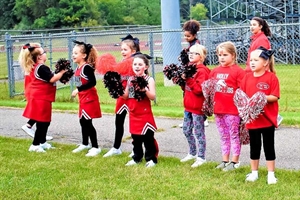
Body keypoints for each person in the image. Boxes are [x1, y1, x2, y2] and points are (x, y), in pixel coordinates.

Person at [241, 47, 279, 184]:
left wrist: (260, 98)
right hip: (253, 121)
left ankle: (271, 174)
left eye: (256, 60)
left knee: (269, 146)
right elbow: (242, 96)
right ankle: (254, 173)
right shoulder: (246, 78)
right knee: (254, 147)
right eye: (251, 60)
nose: (252, 62)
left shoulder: (271, 77)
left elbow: (274, 96)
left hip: (267, 120)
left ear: (265, 63)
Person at [19, 43, 66, 152]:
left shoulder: (38, 67)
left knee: (45, 121)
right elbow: (52, 79)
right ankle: (35, 145)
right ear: (39, 57)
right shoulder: (41, 67)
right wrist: (63, 72)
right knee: (42, 122)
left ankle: (42, 142)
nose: (46, 54)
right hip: (41, 97)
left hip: (42, 97)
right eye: (44, 52)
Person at [101, 34, 141, 157]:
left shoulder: (137, 63)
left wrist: (129, 94)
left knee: (135, 123)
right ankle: (116, 147)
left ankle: (136, 149)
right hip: (121, 96)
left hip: (132, 96)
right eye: (122, 50)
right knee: (119, 122)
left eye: (125, 50)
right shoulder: (121, 63)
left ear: (133, 51)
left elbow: (138, 82)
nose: (123, 52)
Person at [209, 41, 245, 171]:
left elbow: (242, 91)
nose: (222, 57)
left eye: (225, 54)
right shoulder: (215, 71)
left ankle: (235, 162)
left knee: (234, 135)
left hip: (232, 110)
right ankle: (225, 160)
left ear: (233, 55)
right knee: (223, 135)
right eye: (219, 55)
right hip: (218, 109)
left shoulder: (238, 72)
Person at [122, 54, 159, 168]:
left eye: (140, 64)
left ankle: (151, 159)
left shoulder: (149, 79)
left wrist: (145, 90)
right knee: (136, 139)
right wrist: (115, 89)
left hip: (144, 114)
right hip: (133, 113)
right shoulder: (130, 79)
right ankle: (137, 157)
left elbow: (152, 96)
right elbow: (126, 96)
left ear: (146, 67)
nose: (137, 66)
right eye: (135, 64)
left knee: (148, 138)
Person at [245, 17, 283, 126]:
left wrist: (262, 73)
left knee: (260, 96)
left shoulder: (261, 39)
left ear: (260, 26)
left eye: (254, 25)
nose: (251, 27)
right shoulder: (256, 39)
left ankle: (274, 118)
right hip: (251, 71)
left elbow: (263, 59)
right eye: (250, 25)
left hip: (258, 72)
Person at [179, 44, 210, 168]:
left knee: (199, 132)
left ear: (201, 56)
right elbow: (186, 88)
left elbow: (199, 90)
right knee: (186, 130)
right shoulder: (189, 68)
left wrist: (188, 79)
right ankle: (192, 152)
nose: (191, 55)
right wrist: (181, 80)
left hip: (198, 107)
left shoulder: (202, 71)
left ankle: (201, 157)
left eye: (194, 53)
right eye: (190, 53)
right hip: (188, 106)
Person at [71, 40, 102, 157]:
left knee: (87, 122)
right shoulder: (78, 68)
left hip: (90, 99)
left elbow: (92, 82)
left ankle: (95, 147)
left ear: (84, 55)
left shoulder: (86, 68)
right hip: (83, 99)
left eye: (76, 53)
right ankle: (85, 143)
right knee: (82, 121)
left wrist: (78, 90)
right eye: (73, 53)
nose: (73, 55)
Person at [179, 19, 209, 128]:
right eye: (185, 36)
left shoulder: (196, 45)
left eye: (188, 36)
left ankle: (202, 117)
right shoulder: (190, 45)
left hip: (195, 73)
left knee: (195, 93)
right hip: (189, 73)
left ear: (194, 35)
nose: (186, 38)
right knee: (187, 94)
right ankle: (189, 118)